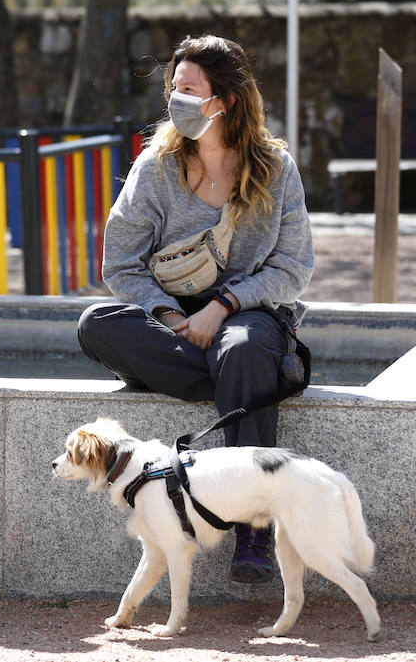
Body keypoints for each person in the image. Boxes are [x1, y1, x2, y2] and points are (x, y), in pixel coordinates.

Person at [77, 33, 314, 584]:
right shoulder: (155, 166)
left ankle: (255, 524)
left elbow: (294, 268)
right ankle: (240, 378)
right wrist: (165, 315)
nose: (176, 100)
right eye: (173, 90)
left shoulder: (275, 169)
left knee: (248, 345)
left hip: (248, 312)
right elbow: (120, 264)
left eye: (190, 90)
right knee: (96, 325)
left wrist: (225, 305)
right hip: (174, 320)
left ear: (225, 100)